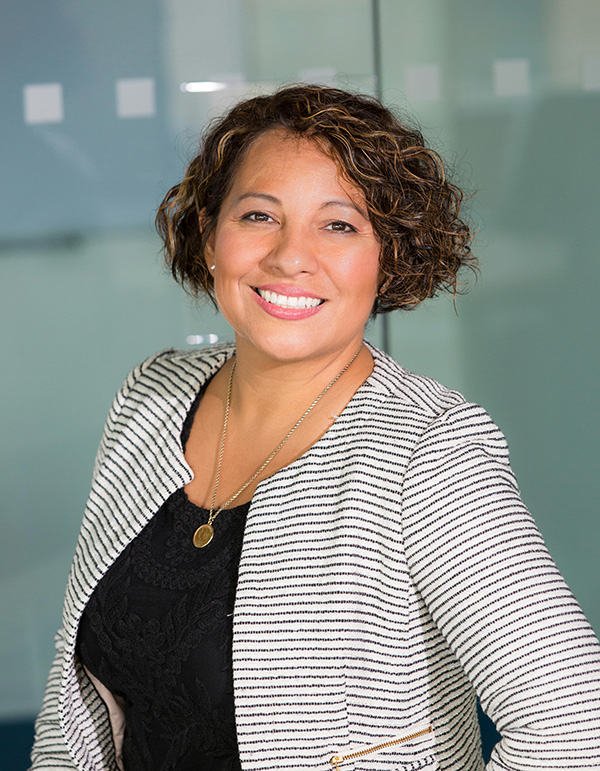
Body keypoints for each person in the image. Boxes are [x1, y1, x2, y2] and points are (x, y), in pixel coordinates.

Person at [31, 85, 600, 771]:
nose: (291, 256)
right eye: (259, 215)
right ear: (210, 235)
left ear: (388, 255)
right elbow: (75, 708)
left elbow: (573, 726)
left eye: (339, 225)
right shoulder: (151, 396)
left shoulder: (428, 450)